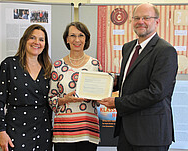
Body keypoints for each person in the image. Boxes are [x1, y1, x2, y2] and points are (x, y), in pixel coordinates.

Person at [98, 3, 178, 151]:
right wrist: (106, 83)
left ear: (157, 22)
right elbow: (127, 80)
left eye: (146, 18)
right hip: (126, 132)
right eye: (137, 18)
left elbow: (156, 92)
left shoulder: (165, 51)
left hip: (151, 135)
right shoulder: (128, 48)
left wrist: (118, 102)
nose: (140, 21)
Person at [0, 24, 52, 151]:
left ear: (45, 44)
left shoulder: (48, 69)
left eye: (41, 39)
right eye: (32, 38)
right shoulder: (9, 64)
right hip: (16, 130)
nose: (37, 42)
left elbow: (51, 103)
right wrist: (0, 130)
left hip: (43, 130)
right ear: (24, 40)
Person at [48, 21, 102, 151]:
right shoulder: (57, 66)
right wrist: (65, 99)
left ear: (86, 39)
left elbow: (99, 99)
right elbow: (51, 100)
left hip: (88, 130)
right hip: (64, 133)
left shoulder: (95, 65)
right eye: (72, 35)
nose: (77, 40)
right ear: (67, 39)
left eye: (81, 35)